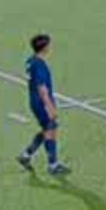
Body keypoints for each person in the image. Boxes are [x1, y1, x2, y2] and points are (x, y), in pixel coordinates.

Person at [16, 33, 69, 175]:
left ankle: (26, 155)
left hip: (34, 102)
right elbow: (42, 88)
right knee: (51, 131)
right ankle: (53, 165)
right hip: (41, 103)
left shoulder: (31, 60)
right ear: (44, 47)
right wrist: (50, 107)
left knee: (48, 129)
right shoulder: (40, 65)